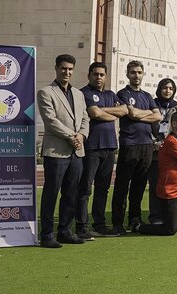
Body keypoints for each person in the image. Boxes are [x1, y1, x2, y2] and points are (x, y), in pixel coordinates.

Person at [36, 54, 90, 247]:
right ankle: (47, 234)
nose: (67, 72)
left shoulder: (78, 94)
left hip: (77, 151)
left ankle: (65, 231)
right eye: (63, 68)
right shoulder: (46, 92)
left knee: (71, 193)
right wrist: (72, 136)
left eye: (70, 69)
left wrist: (81, 136)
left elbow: (85, 118)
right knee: (52, 193)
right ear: (56, 68)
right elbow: (51, 121)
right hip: (56, 151)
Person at [110, 60, 160, 235]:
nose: (136, 75)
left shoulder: (147, 96)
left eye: (139, 72)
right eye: (133, 72)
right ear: (127, 74)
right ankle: (117, 221)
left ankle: (135, 219)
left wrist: (139, 114)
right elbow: (130, 113)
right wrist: (143, 113)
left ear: (143, 74)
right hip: (129, 144)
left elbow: (157, 116)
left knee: (139, 186)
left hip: (147, 145)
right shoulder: (122, 94)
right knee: (122, 185)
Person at [80, 61, 128, 239]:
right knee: (85, 188)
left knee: (103, 188)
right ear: (89, 75)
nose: (98, 77)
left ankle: (99, 224)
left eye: (101, 74)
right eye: (95, 74)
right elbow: (94, 114)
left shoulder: (110, 94)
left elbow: (124, 111)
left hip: (110, 147)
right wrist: (109, 114)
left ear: (106, 76)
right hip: (91, 147)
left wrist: (103, 111)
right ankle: (81, 225)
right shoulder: (83, 93)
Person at [147, 78, 177, 213]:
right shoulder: (152, 104)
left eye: (171, 88)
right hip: (154, 151)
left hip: (170, 151)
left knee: (171, 184)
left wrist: (169, 144)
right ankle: (155, 215)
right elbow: (147, 126)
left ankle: (170, 214)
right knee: (155, 184)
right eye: (165, 88)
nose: (167, 91)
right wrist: (154, 143)